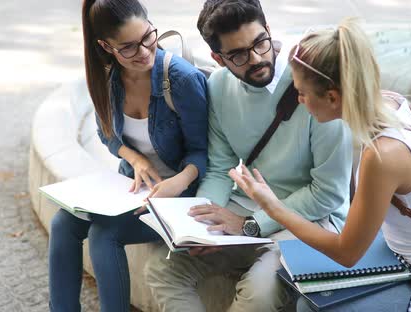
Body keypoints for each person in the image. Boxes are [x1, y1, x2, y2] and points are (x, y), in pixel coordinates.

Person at [230, 18, 411, 312]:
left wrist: (273, 208)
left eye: (302, 93)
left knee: (309, 306)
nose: (298, 100)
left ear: (332, 96)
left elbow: (347, 253)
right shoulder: (393, 103)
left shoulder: (382, 155)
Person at [145, 1, 353, 311]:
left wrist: (251, 224)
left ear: (269, 31)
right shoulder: (218, 86)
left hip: (312, 222)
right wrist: (200, 226)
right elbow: (219, 167)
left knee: (260, 293)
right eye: (239, 54)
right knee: (162, 269)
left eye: (260, 42)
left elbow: (328, 193)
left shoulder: (316, 85)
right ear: (218, 58)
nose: (256, 58)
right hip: (247, 211)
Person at [48, 0, 208, 311]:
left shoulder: (182, 79)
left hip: (181, 192)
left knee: (103, 235)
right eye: (129, 47)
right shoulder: (108, 80)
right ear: (106, 47)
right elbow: (107, 134)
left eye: (148, 37)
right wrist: (135, 159)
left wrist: (178, 181)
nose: (145, 52)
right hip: (131, 188)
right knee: (62, 224)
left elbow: (205, 151)